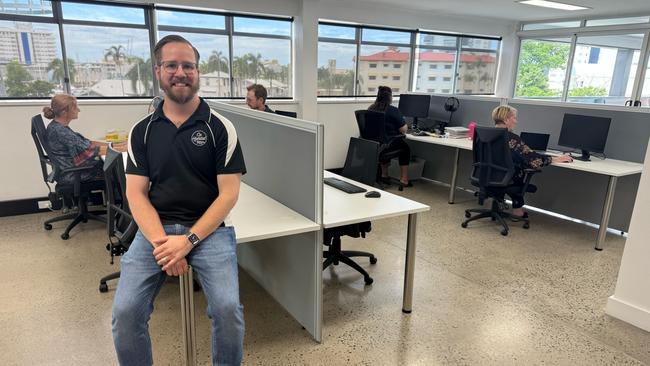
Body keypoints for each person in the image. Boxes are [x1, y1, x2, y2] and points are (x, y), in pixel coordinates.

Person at [112, 35, 247, 366]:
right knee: (125, 313)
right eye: (171, 65)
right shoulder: (141, 130)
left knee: (228, 311)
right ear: (158, 71)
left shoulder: (221, 127)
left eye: (188, 65)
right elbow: (136, 194)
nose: (180, 72)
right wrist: (166, 247)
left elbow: (228, 194)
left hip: (208, 230)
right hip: (155, 231)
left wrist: (186, 242)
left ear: (198, 71)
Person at [491, 105, 572, 218]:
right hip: (506, 178)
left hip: (487, 175)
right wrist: (554, 159)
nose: (516, 121)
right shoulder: (512, 138)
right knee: (519, 169)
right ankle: (517, 210)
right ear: (506, 120)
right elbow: (533, 160)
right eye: (514, 118)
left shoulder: (486, 134)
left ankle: (515, 208)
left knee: (515, 165)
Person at [44, 94, 127, 185]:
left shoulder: (57, 126)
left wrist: (118, 145)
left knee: (111, 164)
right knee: (116, 170)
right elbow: (91, 151)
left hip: (71, 171)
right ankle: (120, 198)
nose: (79, 110)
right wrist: (123, 148)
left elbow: (88, 144)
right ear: (64, 112)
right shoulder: (60, 131)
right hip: (74, 175)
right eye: (75, 108)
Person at [368, 85, 411, 187]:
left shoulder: (371, 108)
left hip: (373, 145)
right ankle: (404, 179)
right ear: (390, 97)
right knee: (405, 148)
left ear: (378, 96)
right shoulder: (393, 110)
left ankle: (384, 175)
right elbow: (404, 130)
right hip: (386, 145)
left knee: (386, 142)